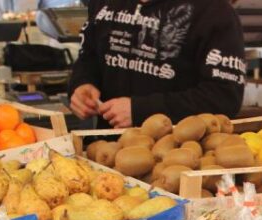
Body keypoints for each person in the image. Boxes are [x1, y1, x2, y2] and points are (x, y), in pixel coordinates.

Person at [68, 0, 246, 127]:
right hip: (105, 152)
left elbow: (224, 97)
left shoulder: (214, 11)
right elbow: (89, 57)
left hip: (178, 156)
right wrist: (82, 83)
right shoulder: (103, 3)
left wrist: (141, 110)